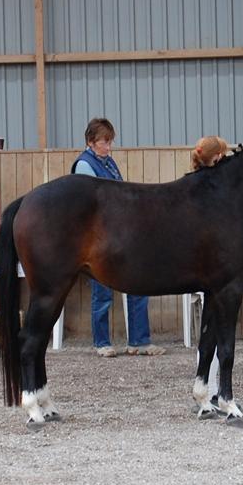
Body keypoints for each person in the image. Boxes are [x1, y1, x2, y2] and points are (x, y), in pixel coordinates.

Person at [71, 117, 166, 358]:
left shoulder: (108, 162)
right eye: (105, 141)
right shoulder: (84, 165)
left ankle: (139, 340)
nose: (109, 146)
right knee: (101, 291)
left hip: (120, 234)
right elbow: (87, 205)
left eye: (110, 141)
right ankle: (102, 342)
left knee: (138, 282)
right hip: (99, 237)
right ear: (91, 142)